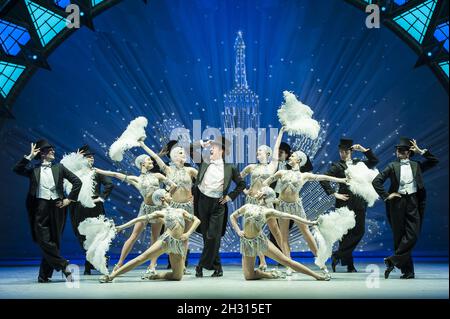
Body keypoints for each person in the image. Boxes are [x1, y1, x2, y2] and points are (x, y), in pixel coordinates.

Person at [263, 150, 348, 275]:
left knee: (306, 232)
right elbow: (266, 182)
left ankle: (320, 262)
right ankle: (289, 265)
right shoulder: (282, 172)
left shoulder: (304, 175)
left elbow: (323, 177)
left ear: (299, 160)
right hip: (282, 205)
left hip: (296, 207)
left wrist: (342, 180)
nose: (290, 157)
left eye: (292, 156)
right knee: (283, 235)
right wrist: (267, 195)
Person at [95, 152, 175, 277]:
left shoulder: (158, 175)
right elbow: (115, 174)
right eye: (149, 160)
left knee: (155, 237)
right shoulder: (137, 179)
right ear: (143, 163)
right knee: (134, 236)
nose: (151, 162)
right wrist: (99, 170)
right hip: (145, 209)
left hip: (157, 209)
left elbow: (172, 185)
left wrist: (165, 193)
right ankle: (119, 264)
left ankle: (152, 266)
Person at [13, 139, 82, 283]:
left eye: (52, 150)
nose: (53, 152)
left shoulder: (60, 168)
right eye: (50, 150)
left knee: (54, 241)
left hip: (58, 207)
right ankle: (64, 265)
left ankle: (43, 276)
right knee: (43, 240)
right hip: (40, 207)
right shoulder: (34, 170)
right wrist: (30, 157)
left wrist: (69, 199)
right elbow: (17, 169)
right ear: (42, 153)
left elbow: (77, 182)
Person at [230, 187, 330, 281]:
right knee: (248, 276)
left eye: (261, 191)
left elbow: (291, 216)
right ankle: (269, 274)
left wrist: (310, 223)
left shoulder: (268, 211)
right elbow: (232, 216)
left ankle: (316, 275)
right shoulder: (247, 206)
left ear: (264, 196)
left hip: (260, 241)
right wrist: (238, 230)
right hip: (247, 242)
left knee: (286, 261)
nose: (258, 191)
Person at [99, 189, 200, 283]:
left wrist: (187, 233)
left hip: (177, 245)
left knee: (177, 277)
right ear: (162, 198)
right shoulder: (160, 213)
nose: (170, 194)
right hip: (166, 241)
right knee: (141, 258)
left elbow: (197, 220)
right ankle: (111, 276)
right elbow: (139, 219)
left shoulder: (180, 211)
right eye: (167, 193)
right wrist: (122, 227)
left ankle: (156, 276)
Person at [372, 137, 438, 279]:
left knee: (413, 234)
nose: (398, 152)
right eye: (397, 150)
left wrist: (420, 151)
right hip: (397, 202)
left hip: (414, 201)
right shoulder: (392, 166)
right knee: (399, 237)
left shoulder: (416, 165)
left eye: (401, 150)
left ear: (408, 152)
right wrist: (387, 195)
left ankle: (392, 260)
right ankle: (408, 271)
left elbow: (434, 161)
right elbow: (376, 181)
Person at [138, 140, 198, 273]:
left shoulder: (190, 170)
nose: (184, 155)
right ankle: (153, 265)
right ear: (175, 155)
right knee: (169, 236)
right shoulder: (168, 169)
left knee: (185, 238)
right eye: (181, 153)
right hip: (172, 206)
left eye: (184, 153)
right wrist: (143, 144)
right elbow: (155, 157)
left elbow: (204, 179)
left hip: (188, 206)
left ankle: (182, 266)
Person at [319, 138, 379, 272]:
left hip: (359, 201)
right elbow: (324, 179)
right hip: (344, 201)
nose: (343, 154)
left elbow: (374, 161)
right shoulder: (337, 166)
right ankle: (349, 265)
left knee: (359, 230)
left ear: (351, 151)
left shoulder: (359, 163)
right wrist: (334, 193)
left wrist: (363, 150)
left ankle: (338, 255)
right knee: (346, 233)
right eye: (341, 151)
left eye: (345, 151)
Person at [192, 136, 246, 277]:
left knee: (213, 236)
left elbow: (242, 185)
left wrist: (229, 197)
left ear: (222, 150)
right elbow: (189, 149)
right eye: (210, 147)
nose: (211, 149)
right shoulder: (204, 163)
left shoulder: (230, 168)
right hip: (202, 202)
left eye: (214, 147)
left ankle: (200, 265)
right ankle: (218, 267)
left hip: (218, 204)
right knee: (206, 237)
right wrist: (201, 143)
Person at [240, 127, 285, 270]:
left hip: (266, 202)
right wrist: (245, 190)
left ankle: (286, 258)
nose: (257, 153)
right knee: (255, 231)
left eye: (260, 151)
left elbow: (277, 148)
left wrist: (281, 133)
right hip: (252, 202)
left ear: (267, 153)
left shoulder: (272, 166)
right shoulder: (251, 167)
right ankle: (262, 261)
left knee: (275, 230)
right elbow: (238, 179)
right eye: (257, 151)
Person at [69, 145, 114, 275]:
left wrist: (101, 198)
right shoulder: (75, 173)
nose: (91, 159)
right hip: (79, 206)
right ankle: (90, 261)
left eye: (92, 157)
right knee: (81, 234)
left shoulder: (96, 172)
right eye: (88, 157)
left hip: (94, 206)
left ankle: (96, 261)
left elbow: (109, 184)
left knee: (97, 233)